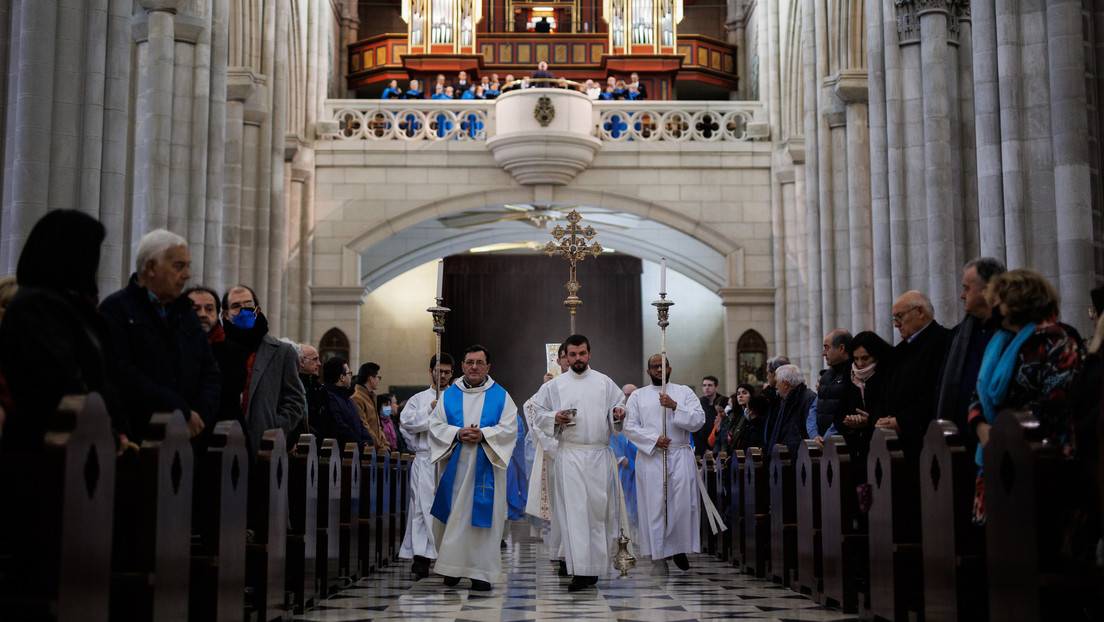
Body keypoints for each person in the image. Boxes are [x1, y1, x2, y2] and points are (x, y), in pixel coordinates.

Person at [0, 210, 127, 450]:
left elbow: (105, 376)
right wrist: (104, 432)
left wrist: (118, 428)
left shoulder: (77, 307)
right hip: (50, 445)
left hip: (90, 439)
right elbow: (58, 377)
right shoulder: (36, 305)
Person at [968, 269, 1086, 524]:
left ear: (1019, 300)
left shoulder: (1058, 339)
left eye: (999, 299)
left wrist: (1003, 432)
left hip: (1042, 456)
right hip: (996, 455)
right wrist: (980, 427)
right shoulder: (1001, 342)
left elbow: (1057, 397)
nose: (994, 305)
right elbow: (978, 393)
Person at [99, 229, 219, 445]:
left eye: (187, 266)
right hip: (140, 437)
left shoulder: (187, 314)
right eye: (179, 266)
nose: (187, 275)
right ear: (152, 267)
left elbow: (210, 372)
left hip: (189, 437)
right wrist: (178, 409)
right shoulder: (116, 309)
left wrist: (198, 414)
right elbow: (121, 371)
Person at [528, 334, 628, 591]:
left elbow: (619, 408)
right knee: (573, 513)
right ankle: (579, 571)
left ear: (589, 353)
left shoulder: (605, 383)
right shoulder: (555, 385)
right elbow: (537, 412)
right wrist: (555, 417)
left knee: (598, 512)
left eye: (582, 353)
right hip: (570, 454)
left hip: (598, 454)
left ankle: (595, 569)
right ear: (565, 356)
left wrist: (618, 414)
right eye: (572, 355)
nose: (577, 359)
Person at [429, 344, 518, 591]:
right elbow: (435, 426)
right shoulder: (449, 394)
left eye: (479, 362)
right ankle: (451, 568)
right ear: (463, 366)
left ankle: (481, 572)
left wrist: (484, 435)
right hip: (455, 468)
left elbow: (511, 429)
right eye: (469, 362)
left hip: (486, 467)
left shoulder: (501, 396)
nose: (474, 367)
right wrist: (457, 433)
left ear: (488, 367)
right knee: (454, 517)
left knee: (482, 520)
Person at [623, 354, 705, 575]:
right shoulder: (638, 396)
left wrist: (675, 406)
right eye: (654, 367)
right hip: (652, 459)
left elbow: (699, 420)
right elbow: (628, 427)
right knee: (655, 506)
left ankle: (678, 548)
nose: (659, 370)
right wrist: (654, 440)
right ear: (648, 371)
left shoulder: (683, 392)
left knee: (680, 505)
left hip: (680, 456)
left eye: (663, 366)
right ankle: (658, 555)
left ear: (670, 369)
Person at [220, 284, 306, 454]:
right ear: (226, 314)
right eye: (236, 306)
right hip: (224, 440)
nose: (243, 310)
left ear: (257, 310)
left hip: (265, 445)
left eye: (248, 305)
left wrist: (275, 428)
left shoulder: (282, 352)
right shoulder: (218, 349)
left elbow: (295, 401)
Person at [936, 257, 1006, 459]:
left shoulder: (1009, 332)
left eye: (967, 288)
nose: (961, 295)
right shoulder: (958, 334)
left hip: (996, 435)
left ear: (987, 290)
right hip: (959, 438)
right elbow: (942, 385)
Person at [399, 353, 455, 579]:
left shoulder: (458, 397)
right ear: (430, 371)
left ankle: (449, 557)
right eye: (438, 371)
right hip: (425, 460)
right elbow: (407, 423)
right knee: (421, 509)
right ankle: (421, 558)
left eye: (446, 372)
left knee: (450, 510)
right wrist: (430, 409)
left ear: (452, 374)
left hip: (450, 459)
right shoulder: (419, 399)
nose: (442, 375)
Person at [881, 290, 951, 460]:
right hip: (898, 443)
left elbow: (938, 392)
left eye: (900, 316)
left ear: (920, 311)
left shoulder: (945, 341)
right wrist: (882, 418)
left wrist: (902, 421)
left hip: (928, 440)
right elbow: (887, 392)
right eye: (894, 318)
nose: (896, 324)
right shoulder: (899, 351)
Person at [524, 343, 568, 576]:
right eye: (564, 356)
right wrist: (554, 447)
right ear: (558, 360)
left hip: (584, 456)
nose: (569, 360)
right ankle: (562, 553)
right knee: (560, 506)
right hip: (558, 454)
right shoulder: (550, 387)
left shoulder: (592, 383)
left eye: (573, 355)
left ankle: (584, 557)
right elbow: (533, 412)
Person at [840, 331, 895, 461]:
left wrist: (869, 420)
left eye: (865, 358)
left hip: (884, 443)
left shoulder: (888, 374)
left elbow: (889, 407)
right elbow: (840, 411)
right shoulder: (849, 376)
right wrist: (849, 421)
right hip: (857, 447)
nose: (859, 364)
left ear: (876, 356)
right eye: (856, 358)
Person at [812, 329, 860, 449]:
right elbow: (815, 408)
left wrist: (827, 439)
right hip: (822, 443)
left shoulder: (854, 375)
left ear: (841, 348)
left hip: (843, 445)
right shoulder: (826, 376)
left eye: (827, 347)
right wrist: (815, 435)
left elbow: (848, 412)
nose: (823, 353)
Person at [765, 364, 816, 456]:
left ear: (785, 384)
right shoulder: (786, 399)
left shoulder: (808, 398)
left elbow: (808, 431)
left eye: (777, 382)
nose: (776, 387)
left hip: (799, 457)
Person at [321, 357, 369, 452]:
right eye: (349, 373)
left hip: (355, 450)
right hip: (341, 453)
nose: (351, 376)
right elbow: (339, 426)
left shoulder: (348, 398)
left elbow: (360, 423)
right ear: (342, 377)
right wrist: (360, 444)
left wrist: (367, 440)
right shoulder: (329, 397)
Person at [352, 362, 390, 454]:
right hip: (370, 451)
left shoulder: (370, 397)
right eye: (378, 377)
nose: (379, 380)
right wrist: (381, 447)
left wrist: (386, 445)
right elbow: (365, 427)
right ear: (371, 379)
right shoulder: (357, 398)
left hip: (378, 450)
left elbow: (377, 426)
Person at [296, 343, 328, 438]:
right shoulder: (295, 386)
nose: (319, 363)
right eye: (315, 359)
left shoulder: (319, 387)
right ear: (302, 361)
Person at [694, 375, 719, 456]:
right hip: (701, 449)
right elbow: (694, 429)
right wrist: (704, 450)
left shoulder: (723, 402)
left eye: (710, 385)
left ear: (716, 387)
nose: (707, 388)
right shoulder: (697, 403)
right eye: (704, 385)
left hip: (719, 449)